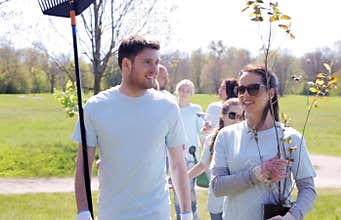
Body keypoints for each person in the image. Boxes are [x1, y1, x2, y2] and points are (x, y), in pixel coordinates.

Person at [73, 35, 193, 220]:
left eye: (157, 62)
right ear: (126, 64)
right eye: (147, 62)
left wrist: (186, 213)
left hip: (157, 215)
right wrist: (83, 212)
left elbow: (177, 165)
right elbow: (83, 165)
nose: (155, 69)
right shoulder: (95, 107)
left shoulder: (168, 107)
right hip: (112, 215)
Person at [210, 65, 317, 220]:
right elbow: (217, 187)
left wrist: (291, 217)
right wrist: (257, 174)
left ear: (271, 93)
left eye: (253, 89)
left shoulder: (289, 138)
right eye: (241, 89)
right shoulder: (226, 136)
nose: (245, 94)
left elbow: (308, 189)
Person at [188, 98, 244, 220]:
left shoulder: (247, 140)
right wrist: (183, 178)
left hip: (239, 204)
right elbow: (203, 165)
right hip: (217, 204)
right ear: (223, 116)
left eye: (241, 116)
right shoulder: (212, 139)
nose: (236, 120)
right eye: (232, 115)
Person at [173, 79, 204, 220]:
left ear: (191, 93)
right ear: (178, 91)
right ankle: (180, 216)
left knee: (189, 190)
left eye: (187, 91)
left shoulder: (196, 110)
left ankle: (193, 216)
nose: (184, 93)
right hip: (173, 155)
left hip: (191, 156)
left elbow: (202, 132)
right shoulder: (172, 109)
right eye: (182, 90)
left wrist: (205, 152)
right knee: (176, 191)